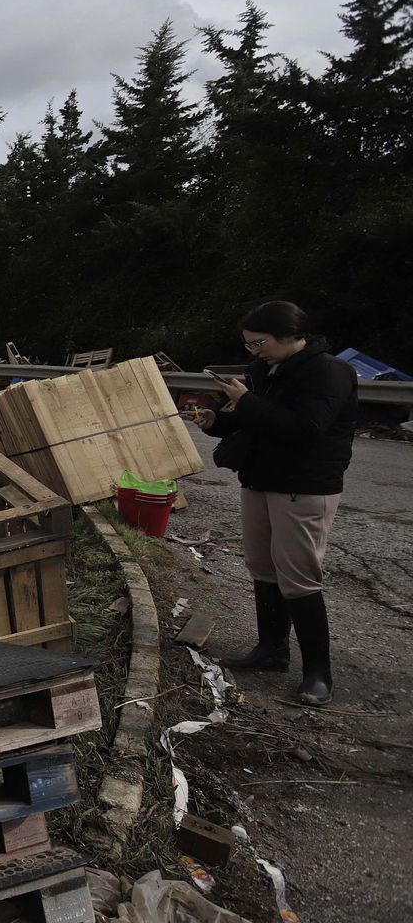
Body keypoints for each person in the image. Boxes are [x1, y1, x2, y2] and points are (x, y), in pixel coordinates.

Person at [187, 301, 357, 706]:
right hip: (260, 480)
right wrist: (217, 421)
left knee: (298, 577)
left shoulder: (328, 371)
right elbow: (255, 421)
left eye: (259, 343)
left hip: (304, 485)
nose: (254, 352)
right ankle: (271, 649)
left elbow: (305, 430)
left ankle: (318, 673)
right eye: (248, 345)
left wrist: (247, 402)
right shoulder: (266, 370)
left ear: (290, 335)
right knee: (262, 567)